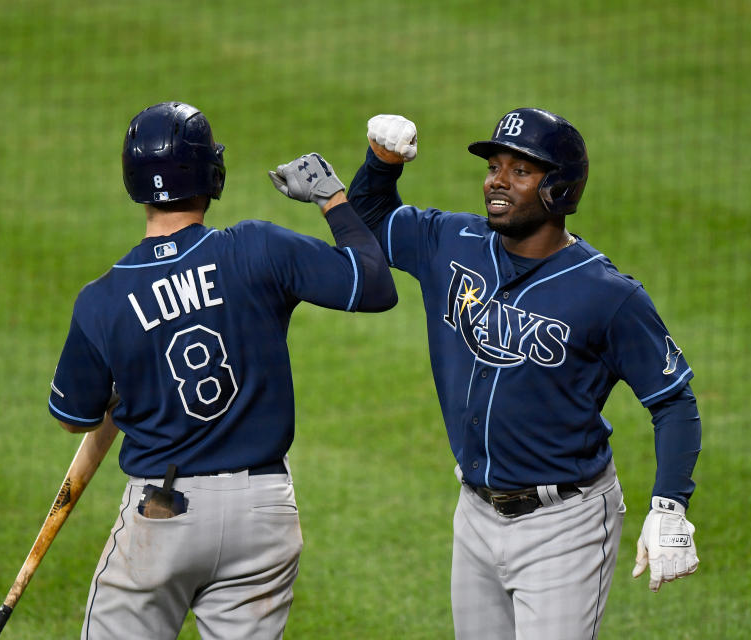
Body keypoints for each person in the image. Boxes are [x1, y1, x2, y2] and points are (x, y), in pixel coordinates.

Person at [47, 101, 397, 639]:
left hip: (161, 518)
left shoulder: (103, 300)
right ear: (211, 174)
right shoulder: (258, 248)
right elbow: (374, 286)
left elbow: (75, 417)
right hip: (263, 515)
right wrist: (332, 199)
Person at [346, 110, 701, 639]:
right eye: (494, 166)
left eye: (520, 171)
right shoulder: (452, 242)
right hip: (474, 512)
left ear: (559, 188)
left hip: (567, 524)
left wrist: (669, 505)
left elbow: (673, 400)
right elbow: (371, 218)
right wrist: (382, 163)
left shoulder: (609, 295)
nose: (496, 180)